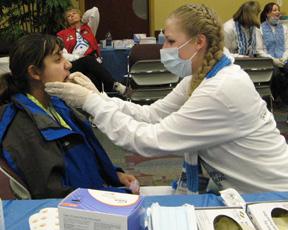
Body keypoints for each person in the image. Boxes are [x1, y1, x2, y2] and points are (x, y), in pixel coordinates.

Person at [46, 3, 288, 195]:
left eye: (171, 41)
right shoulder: (203, 75)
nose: (164, 49)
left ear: (199, 41)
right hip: (245, 189)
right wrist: (99, 96)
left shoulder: (219, 89)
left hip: (270, 195)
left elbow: (150, 141)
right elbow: (152, 114)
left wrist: (91, 102)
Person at [0, 33, 138, 199]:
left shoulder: (58, 105)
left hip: (91, 199)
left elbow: (85, 156)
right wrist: (119, 196)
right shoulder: (23, 128)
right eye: (58, 59)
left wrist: (114, 174)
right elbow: (55, 196)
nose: (68, 65)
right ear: (35, 72)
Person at [57, 6, 126, 95]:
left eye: (74, 13)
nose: (72, 16)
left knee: (93, 77)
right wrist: (78, 57)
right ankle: (114, 85)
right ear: (67, 21)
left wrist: (83, 19)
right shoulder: (62, 34)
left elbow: (95, 11)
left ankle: (95, 100)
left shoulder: (89, 28)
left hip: (91, 64)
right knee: (88, 60)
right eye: (69, 16)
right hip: (74, 63)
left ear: (80, 16)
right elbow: (63, 55)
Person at [256, 2, 288, 106]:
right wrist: (273, 59)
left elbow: (287, 47)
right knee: (275, 74)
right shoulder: (260, 29)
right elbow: (259, 50)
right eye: (274, 10)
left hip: (283, 58)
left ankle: (285, 98)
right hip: (269, 60)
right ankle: (275, 97)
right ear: (267, 13)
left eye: (278, 10)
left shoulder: (284, 28)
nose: (278, 12)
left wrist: (284, 57)